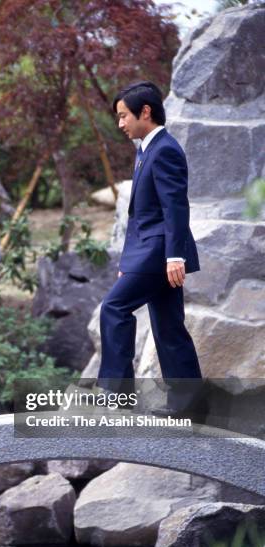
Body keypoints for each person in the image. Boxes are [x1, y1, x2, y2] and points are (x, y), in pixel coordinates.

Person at [97, 81, 202, 416]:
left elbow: (175, 207)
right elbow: (142, 213)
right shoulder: (146, 149)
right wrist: (130, 261)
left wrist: (175, 256)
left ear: (146, 112)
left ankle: (116, 395)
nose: (121, 123)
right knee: (169, 327)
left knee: (113, 308)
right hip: (149, 253)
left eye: (124, 115)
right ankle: (190, 406)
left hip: (159, 254)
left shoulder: (165, 149)